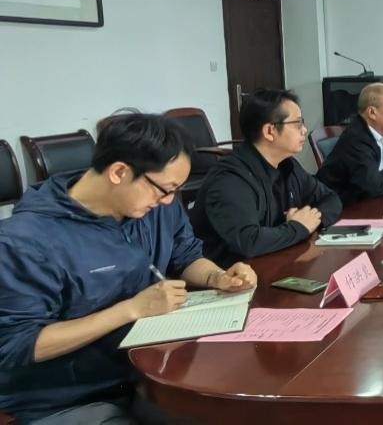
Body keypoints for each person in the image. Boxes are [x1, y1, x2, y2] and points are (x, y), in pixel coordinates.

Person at [0, 114, 257, 424]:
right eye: (165, 190)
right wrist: (131, 310)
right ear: (119, 172)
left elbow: (185, 255)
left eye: (175, 190)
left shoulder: (153, 205)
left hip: (148, 376)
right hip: (68, 399)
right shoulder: (25, 241)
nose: (169, 201)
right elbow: (18, 345)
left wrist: (217, 277)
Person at [191, 89, 342, 267]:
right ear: (270, 131)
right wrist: (298, 227)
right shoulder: (230, 179)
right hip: (230, 276)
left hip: (274, 261)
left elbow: (331, 199)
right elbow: (249, 242)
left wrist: (311, 220)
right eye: (297, 123)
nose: (304, 130)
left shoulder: (287, 165)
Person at [316, 83, 383, 203]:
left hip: (375, 201)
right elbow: (373, 187)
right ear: (372, 112)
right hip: (342, 206)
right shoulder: (355, 139)